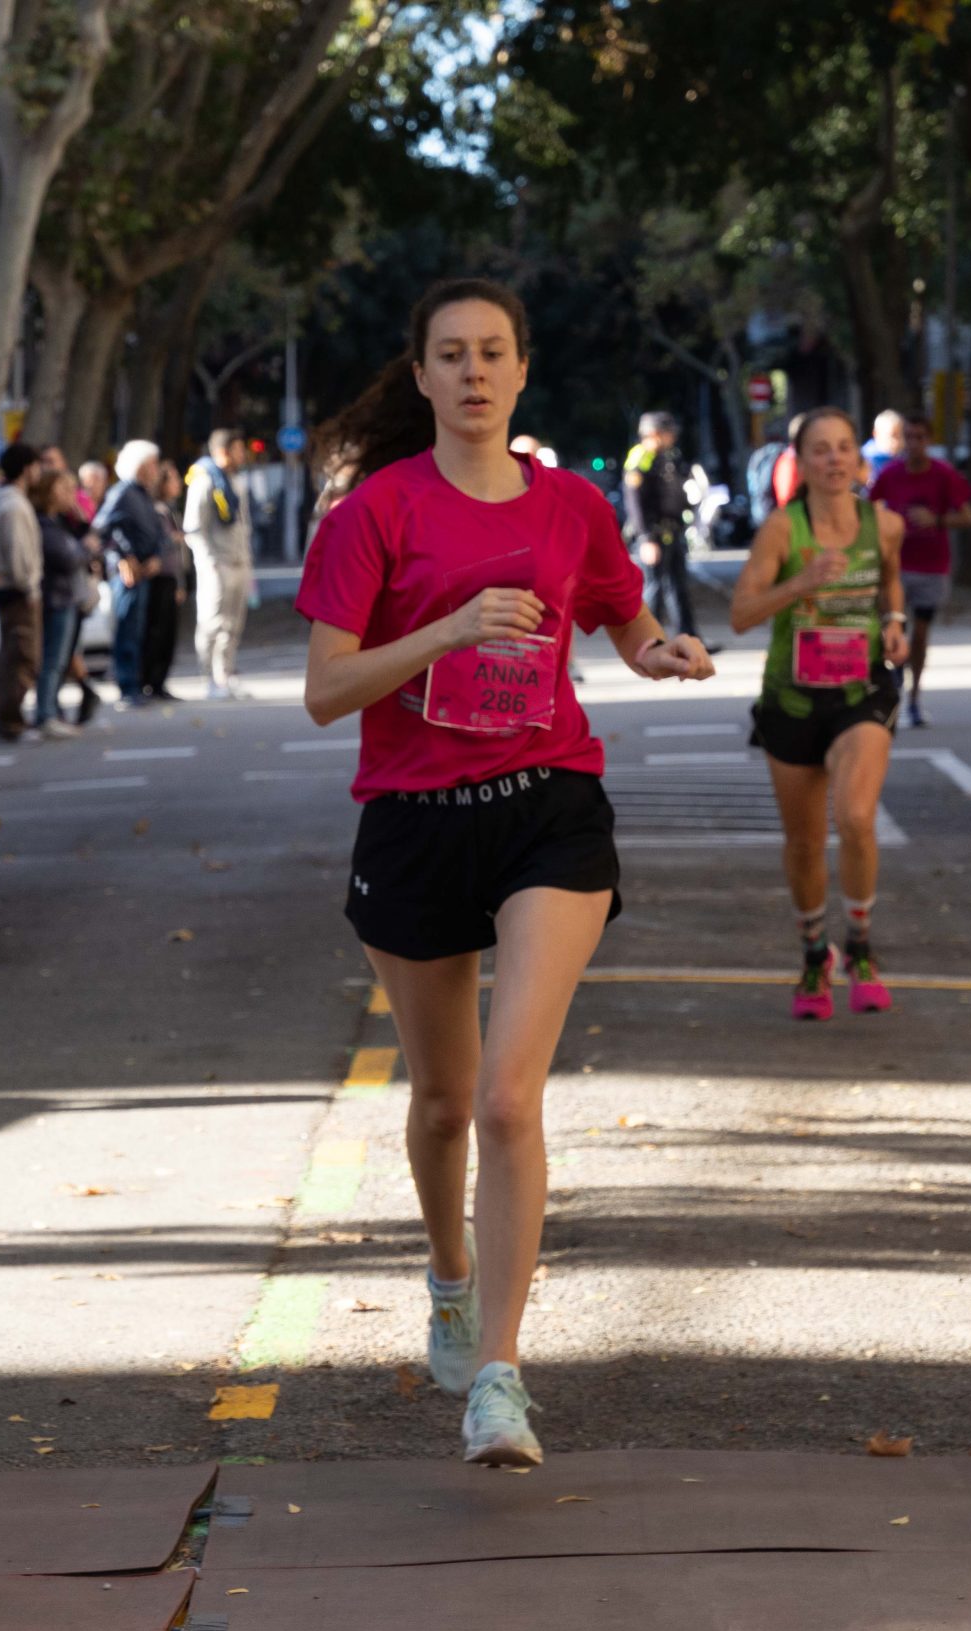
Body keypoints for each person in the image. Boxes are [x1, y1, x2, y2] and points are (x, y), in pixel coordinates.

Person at [300, 278, 713, 1468]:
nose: (473, 371)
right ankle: (449, 1275)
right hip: (415, 820)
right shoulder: (374, 514)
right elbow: (326, 691)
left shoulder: (574, 505)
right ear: (421, 376)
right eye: (451, 354)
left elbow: (622, 619)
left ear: (522, 370)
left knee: (504, 1098)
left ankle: (498, 1376)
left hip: (548, 809)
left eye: (492, 352)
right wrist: (446, 629)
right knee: (441, 1103)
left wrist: (658, 653)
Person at [730, 406, 910, 1023]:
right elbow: (741, 614)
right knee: (805, 843)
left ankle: (859, 945)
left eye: (843, 447)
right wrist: (800, 583)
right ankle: (814, 954)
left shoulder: (884, 525)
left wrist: (894, 622)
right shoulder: (783, 529)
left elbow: (891, 582)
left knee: (855, 817)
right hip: (792, 698)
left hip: (861, 692)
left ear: (859, 459)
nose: (834, 459)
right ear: (801, 464)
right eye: (820, 449)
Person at [866, 411, 971, 726]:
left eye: (920, 437)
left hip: (931, 565)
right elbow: (869, 509)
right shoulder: (890, 474)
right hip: (895, 566)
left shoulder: (943, 474)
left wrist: (936, 520)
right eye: (909, 437)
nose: (913, 443)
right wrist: (883, 530)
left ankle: (914, 698)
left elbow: (967, 516)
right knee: (893, 629)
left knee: (921, 633)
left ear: (929, 440)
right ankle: (894, 689)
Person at [0, 442, 45, 741]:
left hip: (9, 587)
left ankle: (11, 718)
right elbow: (18, 554)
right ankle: (12, 721)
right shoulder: (14, 505)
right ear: (27, 468)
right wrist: (28, 586)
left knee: (15, 655)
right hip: (18, 590)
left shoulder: (2, 500)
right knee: (21, 656)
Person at [186, 427, 257, 700]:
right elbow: (194, 528)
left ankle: (225, 674)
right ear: (222, 452)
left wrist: (247, 559)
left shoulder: (236, 482)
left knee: (234, 623)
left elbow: (244, 524)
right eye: (238, 450)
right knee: (213, 622)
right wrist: (208, 563)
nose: (243, 455)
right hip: (217, 563)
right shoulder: (205, 481)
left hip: (239, 561)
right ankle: (209, 678)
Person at [623, 412, 703, 643]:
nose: (673, 437)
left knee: (678, 587)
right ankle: (650, 640)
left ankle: (689, 639)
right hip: (654, 534)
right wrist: (645, 538)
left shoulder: (666, 457)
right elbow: (635, 502)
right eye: (669, 432)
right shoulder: (641, 457)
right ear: (656, 434)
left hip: (673, 530)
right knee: (654, 589)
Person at [99, 441, 167, 706]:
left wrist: (156, 556)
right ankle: (127, 687)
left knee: (139, 631)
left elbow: (157, 533)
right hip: (129, 574)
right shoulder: (123, 493)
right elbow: (103, 528)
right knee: (127, 630)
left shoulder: (142, 494)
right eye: (152, 464)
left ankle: (137, 684)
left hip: (145, 571)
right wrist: (122, 558)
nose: (156, 470)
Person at [33, 465, 91, 735]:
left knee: (60, 658)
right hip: (56, 598)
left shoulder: (60, 522)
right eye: (64, 489)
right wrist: (84, 550)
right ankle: (46, 714)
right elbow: (67, 557)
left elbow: (82, 546)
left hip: (66, 597)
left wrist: (80, 523)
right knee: (53, 659)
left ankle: (52, 710)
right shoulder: (44, 524)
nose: (71, 495)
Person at [143, 460, 189, 699]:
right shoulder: (156, 511)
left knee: (168, 633)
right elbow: (163, 542)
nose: (178, 483)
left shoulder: (170, 510)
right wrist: (175, 538)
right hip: (160, 577)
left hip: (171, 576)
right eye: (173, 479)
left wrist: (181, 582)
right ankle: (151, 680)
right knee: (158, 631)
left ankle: (159, 681)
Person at [862, 407, 907, 480]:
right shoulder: (864, 460)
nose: (899, 441)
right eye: (893, 435)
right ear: (876, 433)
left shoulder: (905, 458)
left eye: (903, 434)